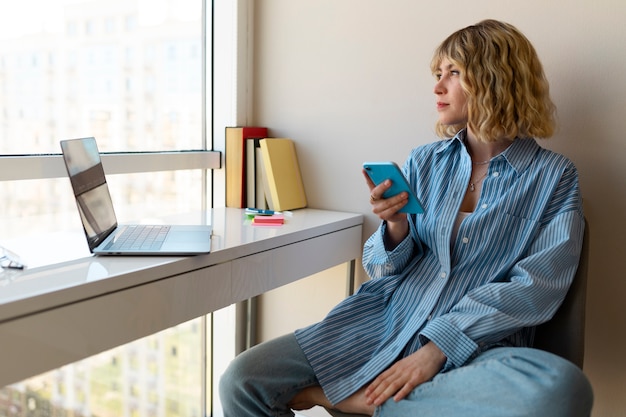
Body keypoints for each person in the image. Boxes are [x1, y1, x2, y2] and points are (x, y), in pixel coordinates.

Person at [219, 19, 593, 417]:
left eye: (453, 73)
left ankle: (352, 401)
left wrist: (438, 348)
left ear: (495, 79)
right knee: (242, 380)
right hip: (381, 324)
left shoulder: (554, 175)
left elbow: (537, 286)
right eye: (437, 74)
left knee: (560, 390)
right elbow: (381, 271)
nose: (437, 87)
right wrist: (395, 227)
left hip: (480, 350)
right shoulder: (424, 161)